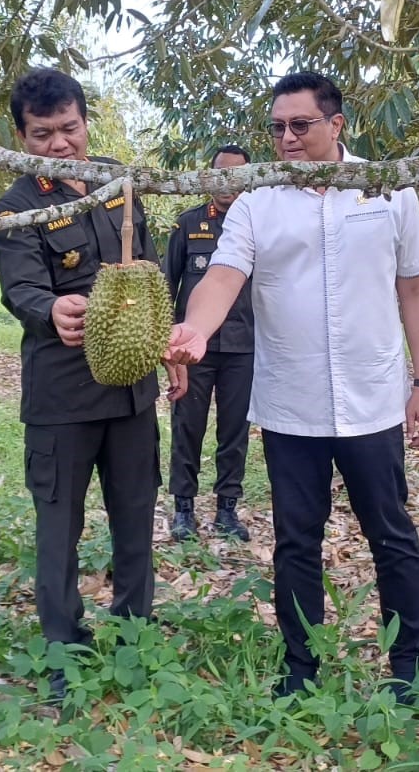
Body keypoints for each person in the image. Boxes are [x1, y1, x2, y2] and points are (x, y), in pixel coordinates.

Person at [168, 72, 419, 701]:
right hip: (291, 405)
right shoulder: (257, 201)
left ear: (336, 124)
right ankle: (301, 668)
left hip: (373, 400)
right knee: (296, 542)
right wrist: (195, 330)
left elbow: (415, 288)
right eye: (277, 128)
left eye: (300, 124)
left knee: (391, 534)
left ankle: (412, 665)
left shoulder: (387, 189)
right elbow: (222, 277)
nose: (287, 138)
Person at [0, 68, 187, 699]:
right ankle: (63, 654)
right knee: (59, 530)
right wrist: (50, 308)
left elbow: (148, 269)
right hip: (62, 394)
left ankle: (134, 636)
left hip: (131, 394)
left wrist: (167, 343)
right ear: (21, 136)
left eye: (69, 128)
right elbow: (20, 287)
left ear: (84, 122)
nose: (59, 143)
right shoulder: (18, 205)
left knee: (135, 518)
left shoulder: (116, 182)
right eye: (42, 133)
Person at [163, 145, 257, 542]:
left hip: (244, 346)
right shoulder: (189, 224)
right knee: (188, 426)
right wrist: (166, 344)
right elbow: (166, 285)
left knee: (234, 431)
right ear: (208, 177)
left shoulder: (259, 222)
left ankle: (227, 509)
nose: (227, 184)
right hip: (193, 350)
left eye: (236, 175)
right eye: (221, 174)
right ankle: (183, 508)